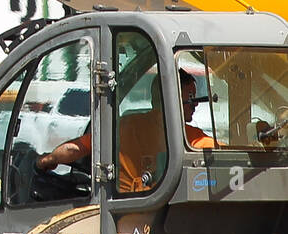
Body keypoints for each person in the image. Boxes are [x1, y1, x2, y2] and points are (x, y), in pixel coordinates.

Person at [35, 69, 209, 190]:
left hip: (123, 212)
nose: (195, 105)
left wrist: (47, 160)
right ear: (172, 99)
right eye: (191, 98)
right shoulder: (188, 138)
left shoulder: (123, 126)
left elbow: (75, 148)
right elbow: (228, 153)